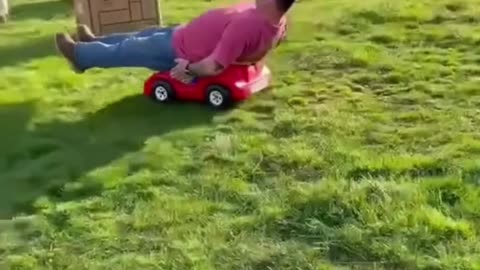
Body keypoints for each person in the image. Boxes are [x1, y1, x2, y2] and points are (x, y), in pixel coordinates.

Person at [55, 0, 295, 83]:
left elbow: (214, 66)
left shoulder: (249, 26)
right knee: (138, 36)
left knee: (128, 49)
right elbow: (273, 40)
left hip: (179, 50)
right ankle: (93, 42)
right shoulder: (277, 20)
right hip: (182, 35)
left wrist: (187, 68)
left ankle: (79, 56)